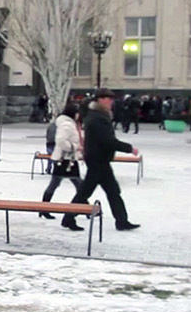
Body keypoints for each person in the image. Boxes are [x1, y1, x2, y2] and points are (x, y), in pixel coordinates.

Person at [64, 87, 141, 232]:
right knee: (89, 192)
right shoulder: (97, 117)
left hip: (99, 159)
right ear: (101, 100)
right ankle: (69, 217)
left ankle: (121, 221)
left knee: (110, 191)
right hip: (97, 160)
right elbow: (107, 140)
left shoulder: (99, 115)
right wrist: (129, 148)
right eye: (109, 98)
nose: (112, 101)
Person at [40, 103, 83, 219]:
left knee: (57, 184)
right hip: (66, 160)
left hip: (66, 159)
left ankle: (43, 208)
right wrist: (74, 147)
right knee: (80, 185)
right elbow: (61, 141)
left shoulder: (67, 123)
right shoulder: (67, 125)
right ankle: (86, 209)